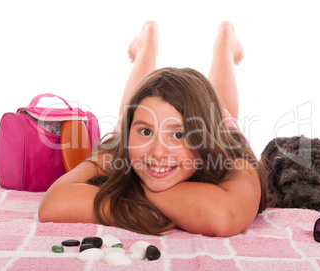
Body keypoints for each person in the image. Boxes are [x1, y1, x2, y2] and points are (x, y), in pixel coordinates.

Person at [38, 21, 267, 237]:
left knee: (223, 106)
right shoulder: (121, 148)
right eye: (146, 132)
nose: (158, 152)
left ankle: (224, 42)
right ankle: (147, 42)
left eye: (179, 134)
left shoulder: (232, 157)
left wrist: (135, 193)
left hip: (220, 127)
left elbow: (224, 216)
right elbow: (53, 204)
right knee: (135, 105)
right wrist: (186, 209)